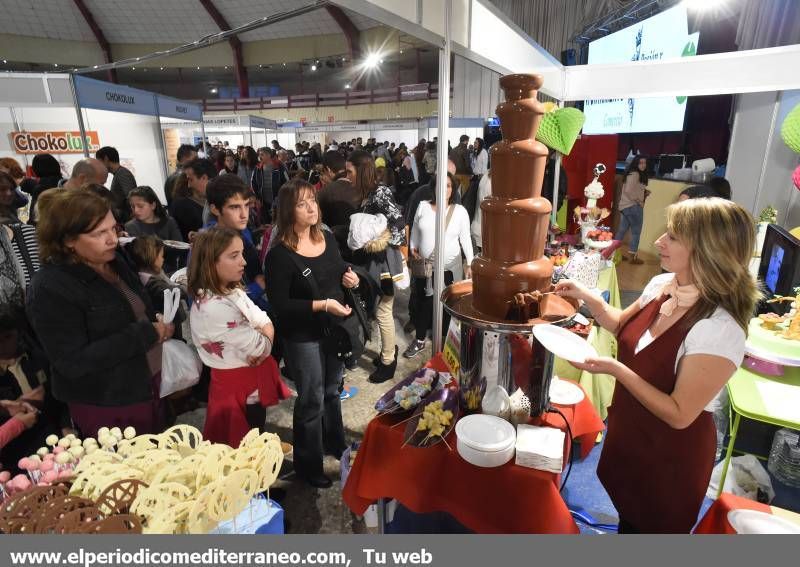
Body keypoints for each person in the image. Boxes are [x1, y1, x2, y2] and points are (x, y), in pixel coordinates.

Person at [554, 198, 760, 533]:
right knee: (628, 522)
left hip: (670, 462)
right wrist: (587, 296)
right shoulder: (661, 287)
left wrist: (616, 369)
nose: (658, 242)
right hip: (633, 440)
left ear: (707, 249)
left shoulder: (719, 330)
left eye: (673, 237)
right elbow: (622, 325)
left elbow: (679, 412)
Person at [27, 190, 173, 437]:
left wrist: (161, 314)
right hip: (107, 403)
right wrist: (146, 333)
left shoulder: (114, 261)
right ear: (68, 240)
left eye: (113, 229)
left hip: (148, 385)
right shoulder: (50, 287)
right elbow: (72, 361)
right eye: (99, 234)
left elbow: (138, 303)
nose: (112, 240)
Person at [264, 180, 357, 488]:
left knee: (332, 389)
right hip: (302, 335)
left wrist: (351, 278)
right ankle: (308, 464)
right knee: (312, 397)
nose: (311, 208)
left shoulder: (327, 238)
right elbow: (279, 305)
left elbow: (339, 268)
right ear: (289, 211)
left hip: (333, 328)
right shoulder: (279, 255)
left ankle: (335, 442)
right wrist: (321, 305)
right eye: (302, 204)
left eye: (313, 201)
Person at [188, 228, 289, 447]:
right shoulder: (213, 307)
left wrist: (265, 330)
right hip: (236, 392)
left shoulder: (231, 291)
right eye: (234, 256)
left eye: (241, 253)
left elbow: (262, 318)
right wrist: (265, 334)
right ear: (210, 263)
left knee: (253, 436)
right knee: (241, 446)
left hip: (247, 386)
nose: (243, 262)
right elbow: (261, 347)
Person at [349, 151, 405, 383]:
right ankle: (386, 352)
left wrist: (378, 240)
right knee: (380, 309)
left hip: (384, 261)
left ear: (361, 171)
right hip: (373, 261)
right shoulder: (368, 193)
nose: (348, 175)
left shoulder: (380, 192)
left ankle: (389, 361)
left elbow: (400, 225)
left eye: (350, 171)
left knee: (383, 311)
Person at [405, 173, 474, 358]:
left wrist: (470, 262)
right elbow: (416, 231)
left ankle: (446, 341)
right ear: (433, 187)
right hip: (426, 267)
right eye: (441, 185)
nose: (445, 189)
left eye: (449, 185)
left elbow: (466, 239)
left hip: (450, 269)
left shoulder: (459, 211)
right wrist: (412, 247)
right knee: (424, 302)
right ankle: (420, 339)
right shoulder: (423, 206)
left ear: (453, 189)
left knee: (449, 303)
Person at [204, 174, 266, 303]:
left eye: (246, 205)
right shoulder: (207, 245)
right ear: (215, 209)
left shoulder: (240, 229)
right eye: (235, 207)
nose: (244, 215)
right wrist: (256, 288)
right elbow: (208, 300)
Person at [615, 155, 649, 264]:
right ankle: (633, 257)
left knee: (621, 231)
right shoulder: (635, 174)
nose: (643, 165)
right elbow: (629, 191)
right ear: (636, 163)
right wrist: (640, 201)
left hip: (625, 207)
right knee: (636, 232)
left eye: (644, 163)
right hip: (633, 207)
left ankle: (615, 254)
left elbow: (631, 189)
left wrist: (644, 192)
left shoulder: (631, 173)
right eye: (640, 163)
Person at [172, 158, 217, 241]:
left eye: (191, 179)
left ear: (204, 178)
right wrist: (202, 235)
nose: (189, 185)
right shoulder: (209, 200)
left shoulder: (223, 199)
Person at [96, 146, 137, 223]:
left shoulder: (122, 174)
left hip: (127, 220)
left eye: (99, 162)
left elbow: (132, 197)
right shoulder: (119, 173)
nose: (99, 166)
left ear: (106, 159)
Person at [23, 154, 63, 225]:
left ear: (36, 169)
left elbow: (34, 217)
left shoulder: (41, 188)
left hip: (48, 228)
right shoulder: (64, 182)